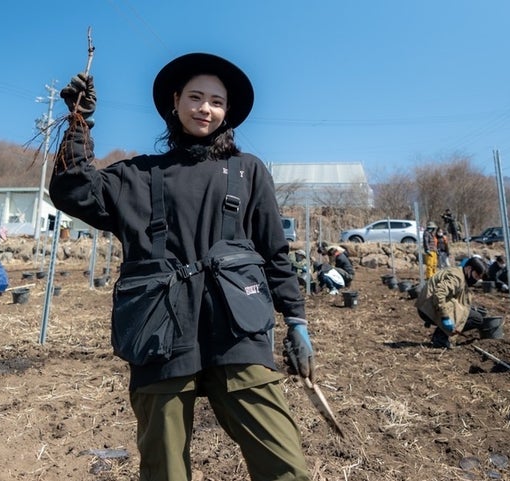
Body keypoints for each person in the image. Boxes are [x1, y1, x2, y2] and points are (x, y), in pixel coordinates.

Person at [50, 53, 313, 481]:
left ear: (227, 112)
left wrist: (296, 320)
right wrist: (78, 122)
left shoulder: (247, 172)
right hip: (160, 336)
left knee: (285, 467)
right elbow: (73, 191)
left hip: (237, 332)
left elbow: (275, 254)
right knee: (165, 471)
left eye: (215, 101)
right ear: (175, 102)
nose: (204, 108)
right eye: (195, 97)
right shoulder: (138, 175)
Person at [415, 256, 488, 349]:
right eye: (476, 276)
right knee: (476, 319)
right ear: (469, 268)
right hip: (428, 308)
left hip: (427, 305)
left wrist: (472, 308)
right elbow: (439, 294)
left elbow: (457, 297)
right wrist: (445, 317)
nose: (476, 279)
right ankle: (440, 338)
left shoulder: (459, 272)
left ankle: (440, 335)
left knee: (469, 312)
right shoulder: (457, 277)